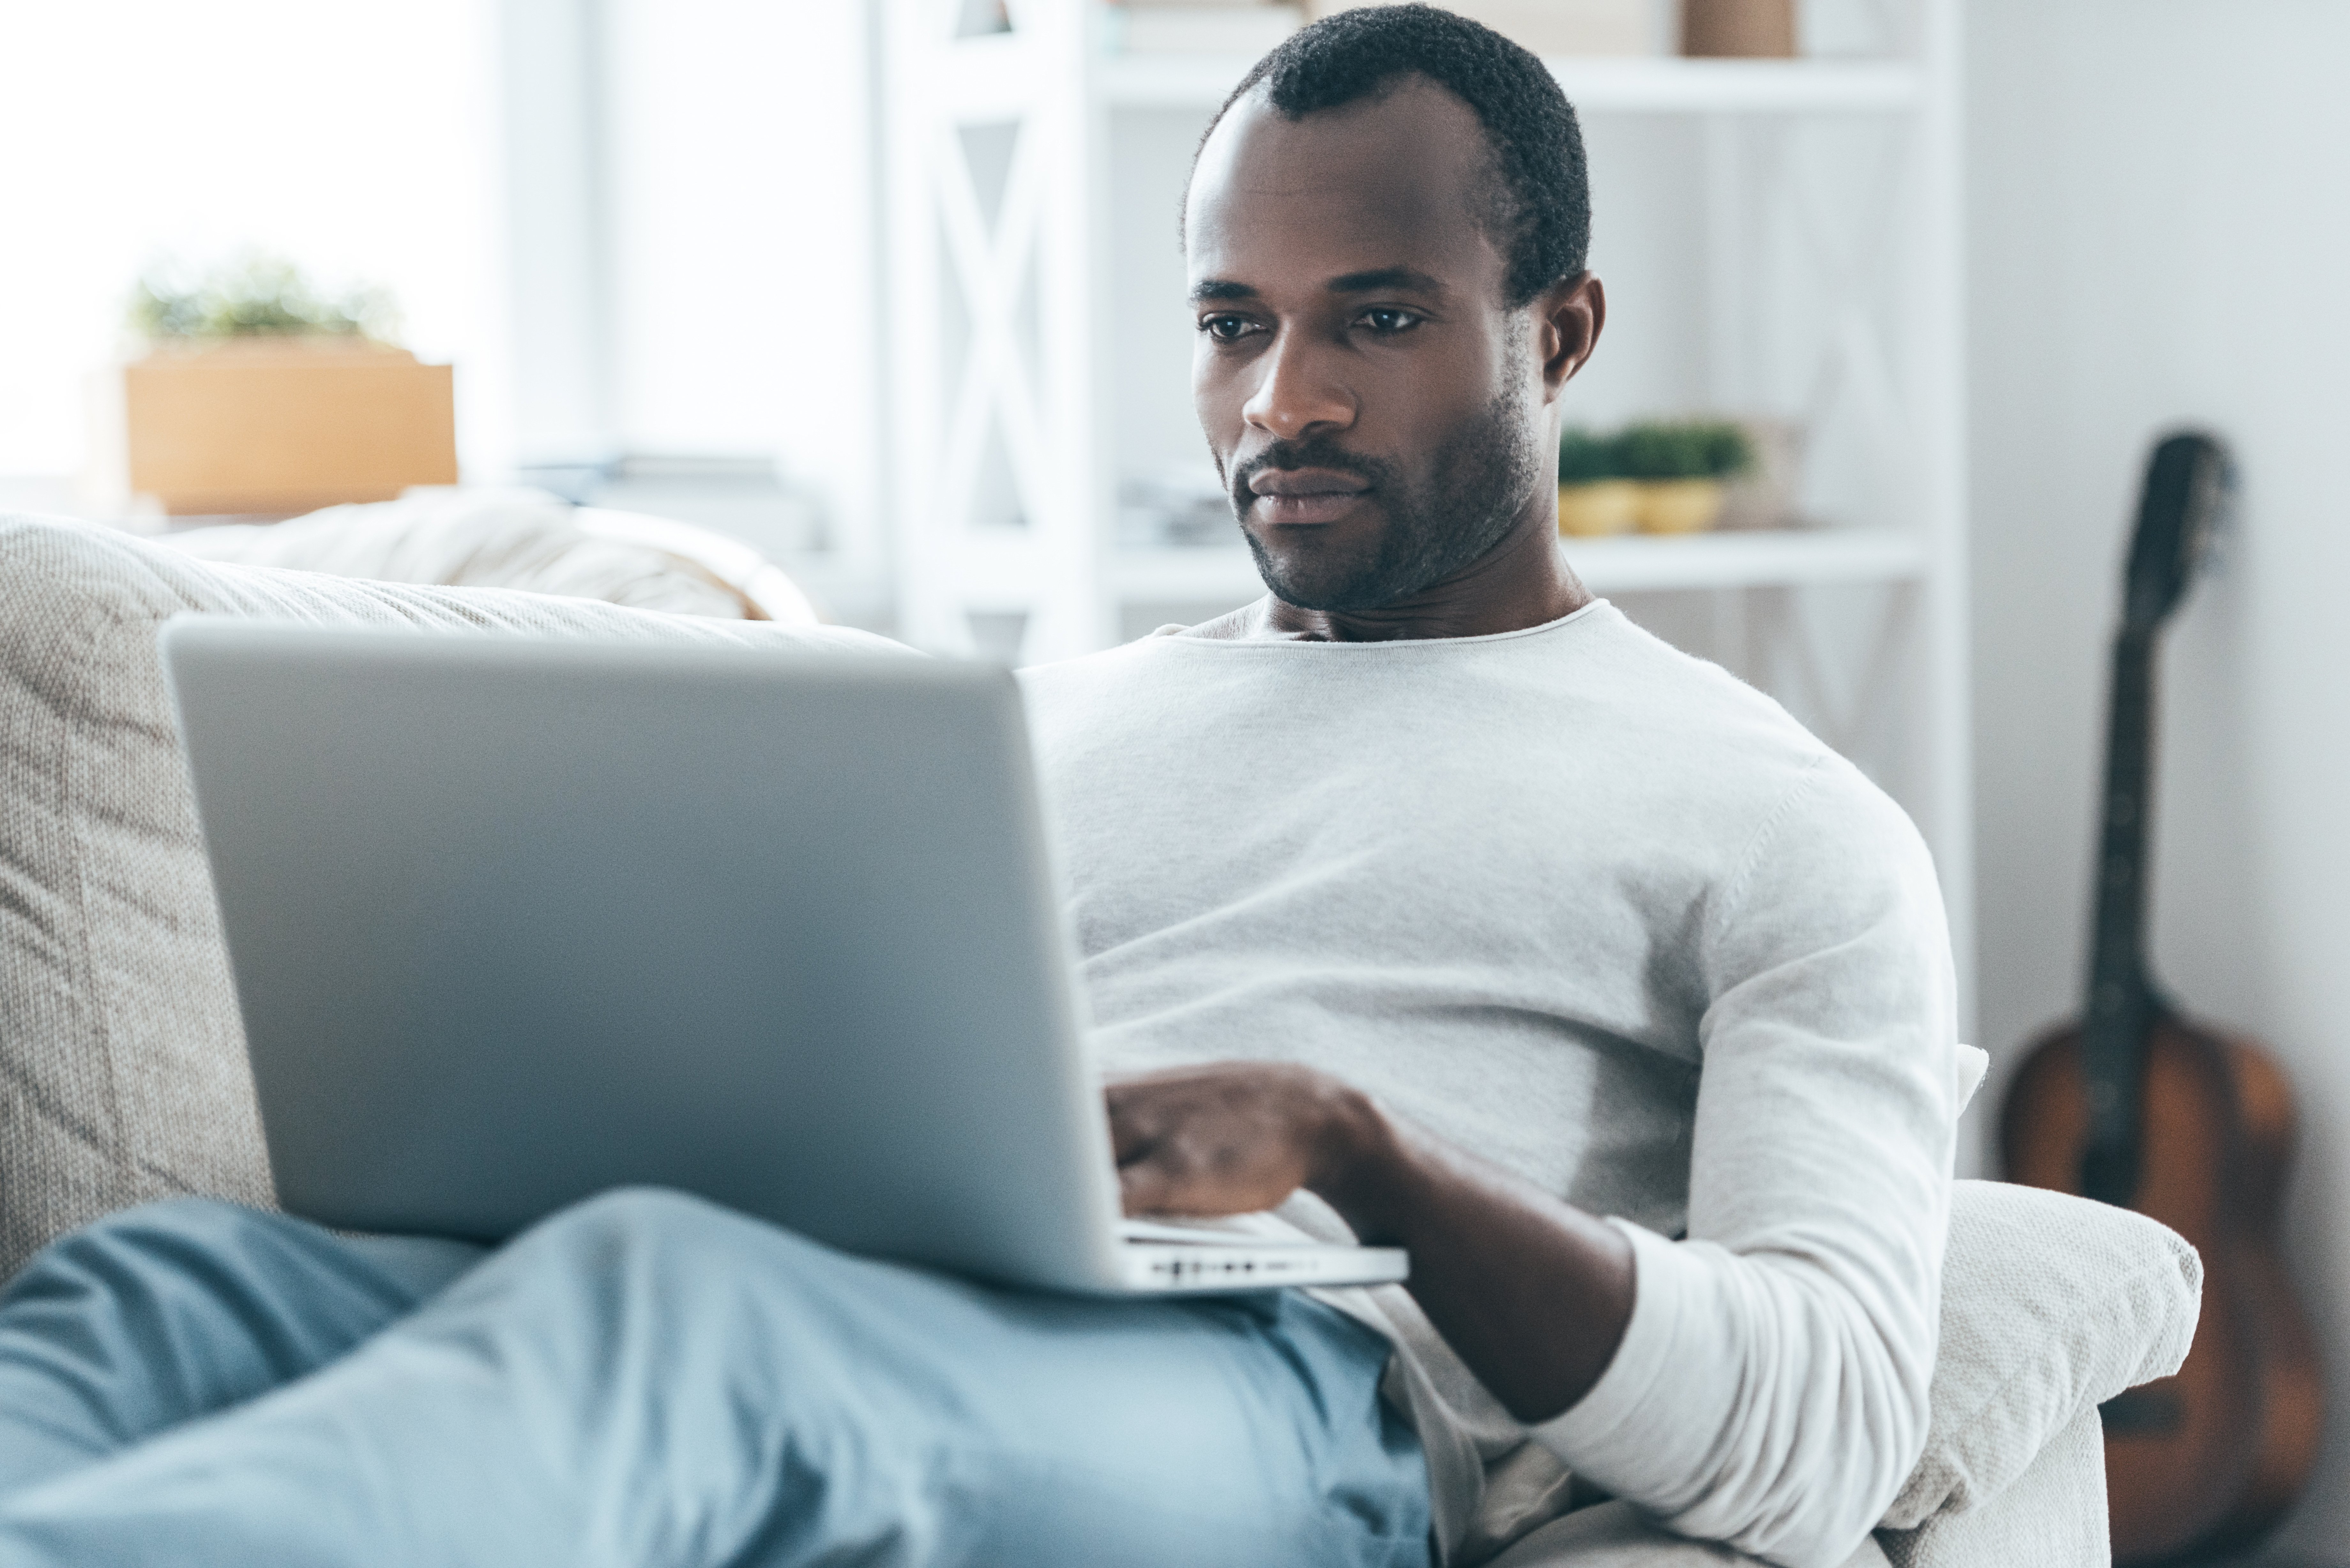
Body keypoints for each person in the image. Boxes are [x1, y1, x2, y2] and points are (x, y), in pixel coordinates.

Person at [0, 8, 1958, 1567]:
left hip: (1285, 1396)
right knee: (181, 1284)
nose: (1283, 399)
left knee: (679, 1320)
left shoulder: (1781, 820)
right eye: (1230, 325)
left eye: (1376, 316)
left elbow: (1835, 1426)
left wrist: (1355, 1154)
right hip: (876, 1281)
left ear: (1562, 332)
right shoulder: (1018, 728)